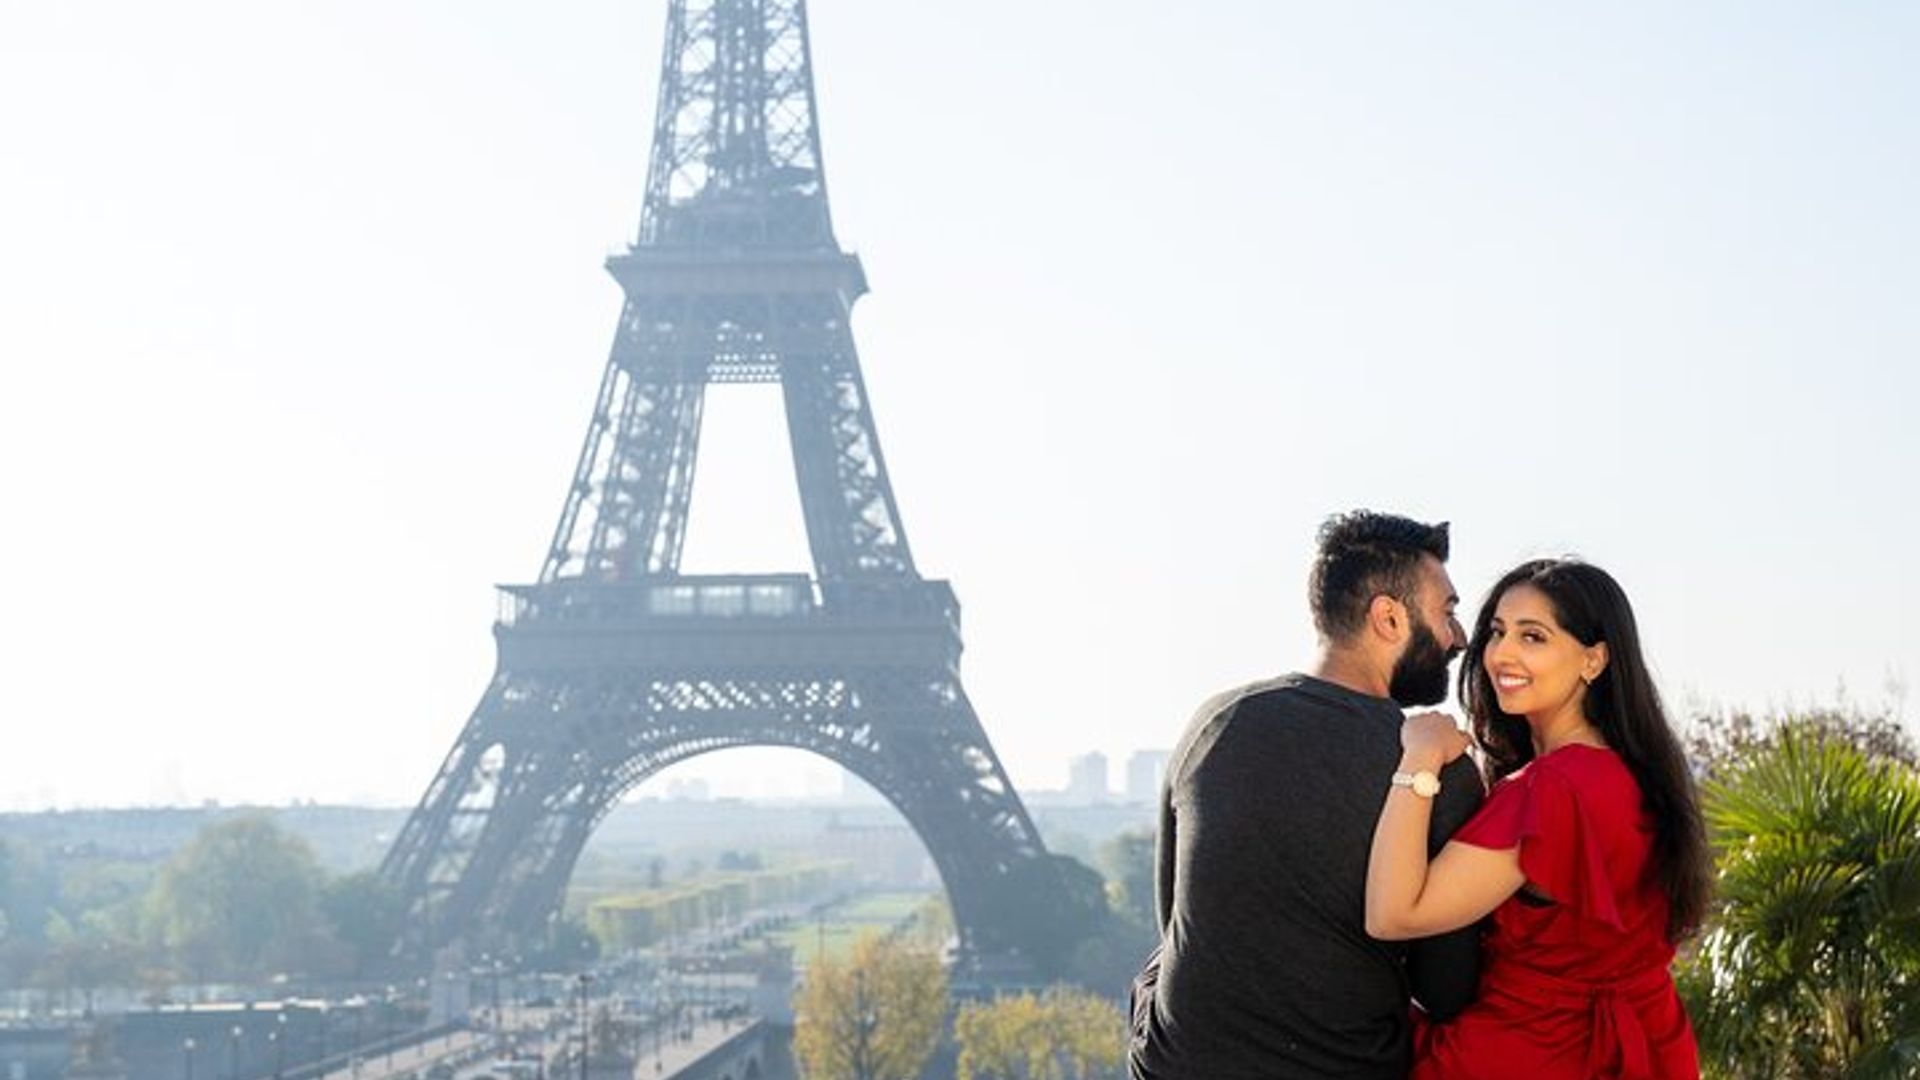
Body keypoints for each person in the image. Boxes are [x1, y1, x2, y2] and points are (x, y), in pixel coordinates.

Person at [1129, 511, 1485, 1080]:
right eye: (1447, 611)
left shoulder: (1213, 723)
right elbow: (1448, 989)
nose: (1459, 637)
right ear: (1389, 618)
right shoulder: (1438, 769)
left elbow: (1173, 920)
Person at [1365, 558, 1710, 1079]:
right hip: (1648, 1051)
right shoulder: (1640, 775)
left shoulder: (1551, 789)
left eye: (1534, 637)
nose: (1501, 652)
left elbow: (1393, 913)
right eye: (1498, 632)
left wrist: (1418, 758)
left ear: (1593, 660)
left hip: (1527, 1055)